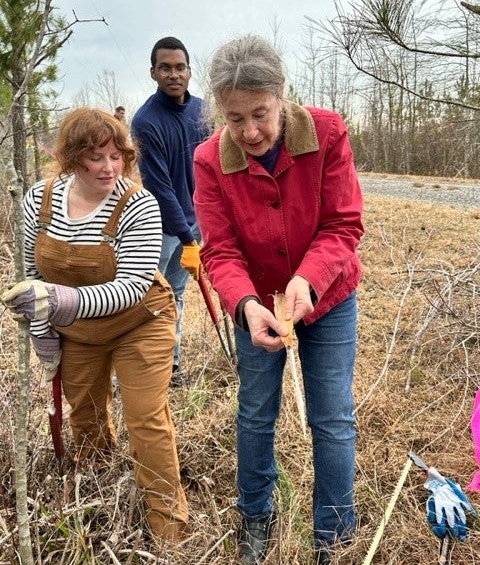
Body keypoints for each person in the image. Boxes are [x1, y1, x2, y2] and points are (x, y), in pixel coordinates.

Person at [193, 35, 364, 565]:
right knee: (255, 413)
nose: (249, 131)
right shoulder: (208, 161)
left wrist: (308, 281)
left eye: (261, 114)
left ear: (282, 95)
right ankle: (255, 516)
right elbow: (219, 250)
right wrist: (244, 304)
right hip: (255, 307)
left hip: (328, 297)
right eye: (235, 117)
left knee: (332, 417)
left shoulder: (328, 132)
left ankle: (333, 536)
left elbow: (343, 223)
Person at [2, 108, 188, 545]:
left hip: (140, 323)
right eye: (96, 157)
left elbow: (132, 286)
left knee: (146, 420)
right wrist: (42, 330)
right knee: (85, 417)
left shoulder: (138, 205)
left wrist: (63, 300)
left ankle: (170, 529)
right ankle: (100, 499)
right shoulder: (40, 201)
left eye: (117, 156)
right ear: (72, 159)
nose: (109, 168)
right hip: (79, 331)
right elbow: (33, 273)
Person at [131, 36, 209, 387]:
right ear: (153, 72)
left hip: (195, 223)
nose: (174, 74)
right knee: (149, 296)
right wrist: (187, 235)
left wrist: (203, 225)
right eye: (165, 68)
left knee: (175, 295)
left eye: (180, 67)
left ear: (190, 71)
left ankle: (172, 369)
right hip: (162, 229)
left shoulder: (203, 112)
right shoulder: (146, 121)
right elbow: (159, 187)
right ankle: (140, 368)